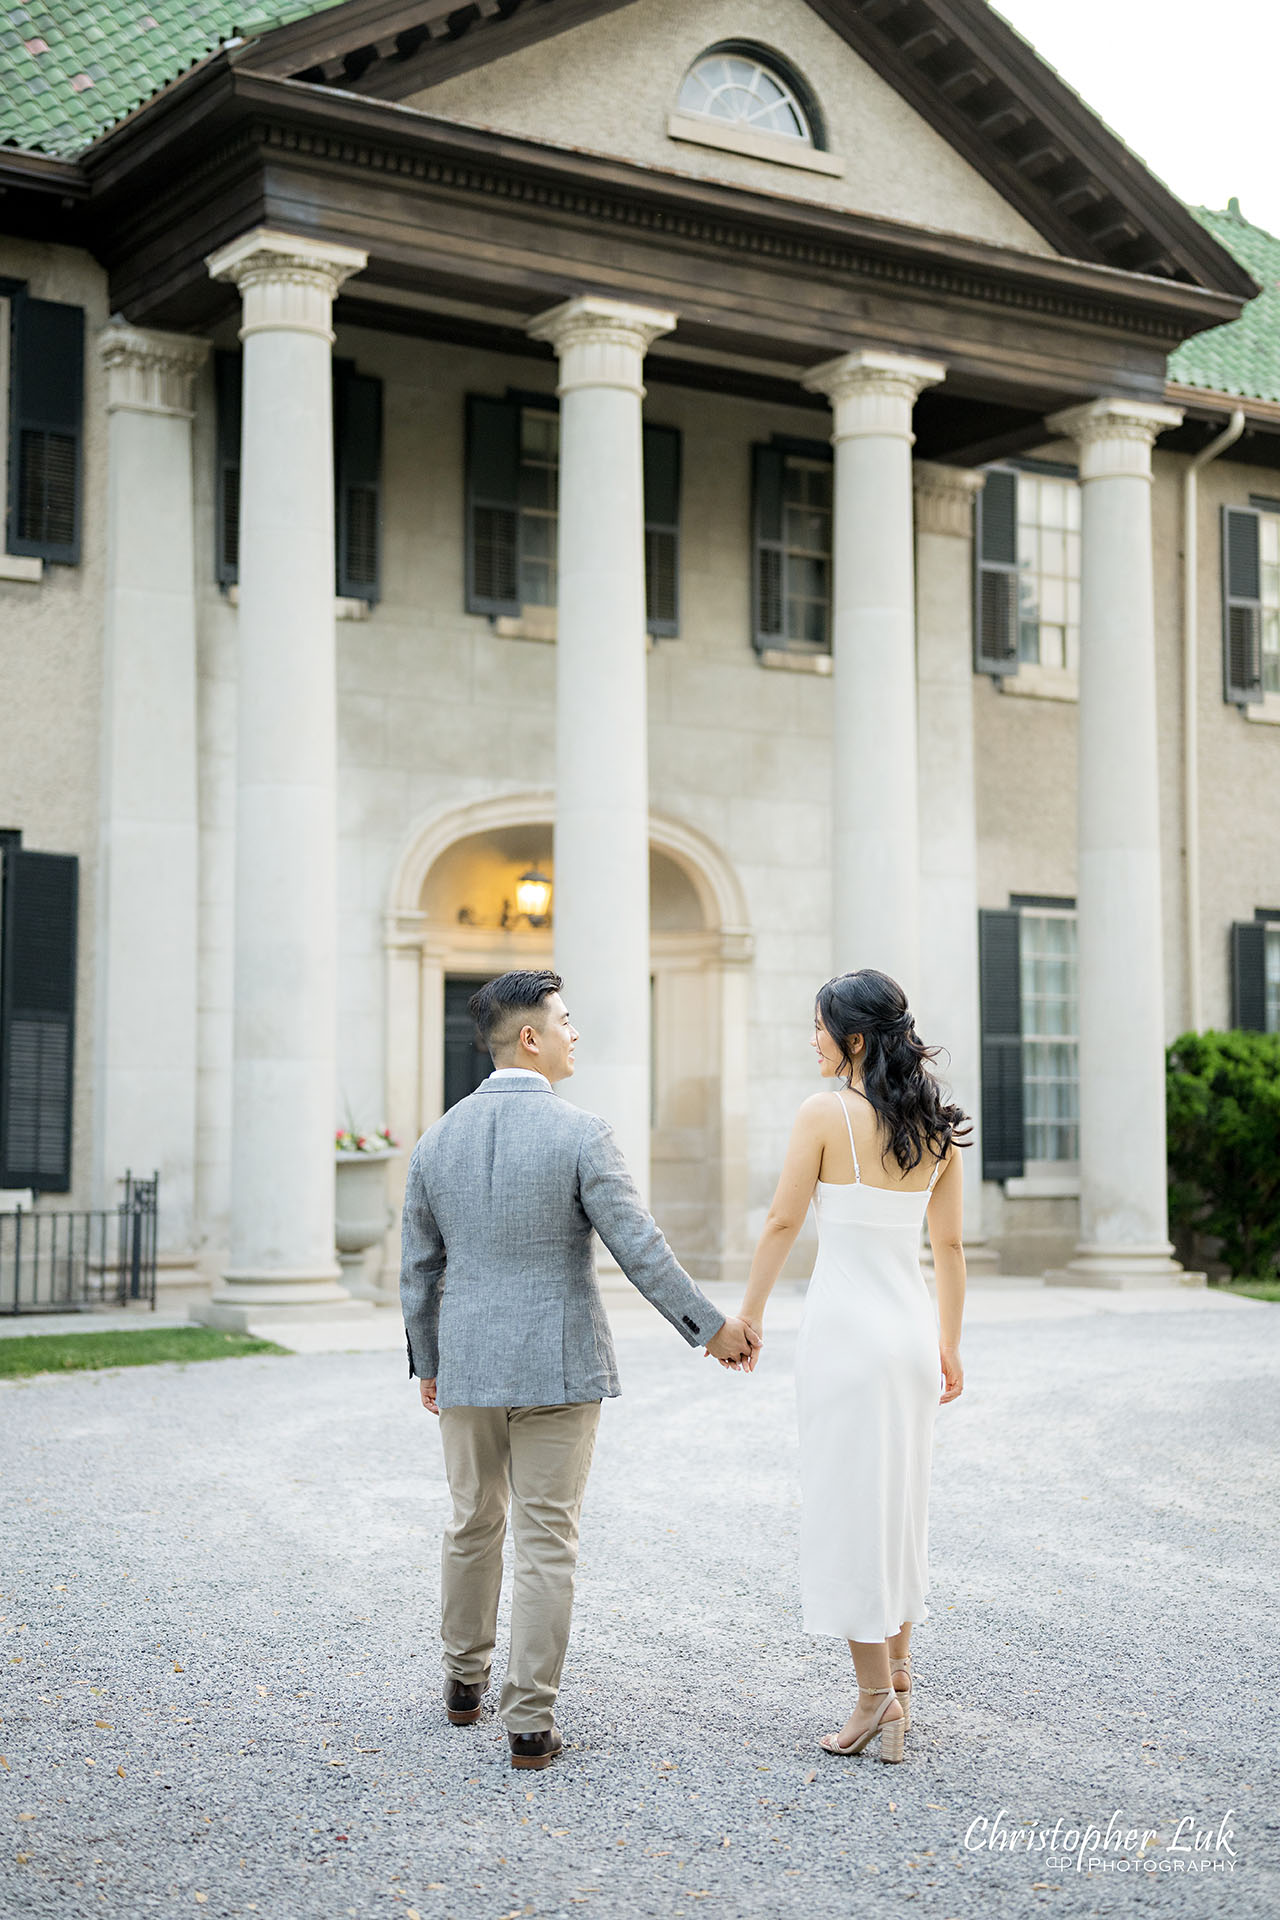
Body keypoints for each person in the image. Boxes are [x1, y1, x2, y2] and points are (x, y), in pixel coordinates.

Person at [400, 968, 760, 1771]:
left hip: (465, 1365)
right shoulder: (581, 1133)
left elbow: (418, 1267)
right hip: (558, 1365)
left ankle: (463, 1685)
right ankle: (528, 1722)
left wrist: (428, 1360)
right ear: (530, 1036)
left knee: (471, 1521)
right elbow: (640, 1246)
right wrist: (712, 1330)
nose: (575, 1033)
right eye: (565, 1021)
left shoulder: (436, 1139)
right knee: (545, 1539)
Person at [730, 969, 967, 1762]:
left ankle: (874, 1705)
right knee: (899, 1507)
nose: (811, 1039)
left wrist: (750, 1315)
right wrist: (950, 1342)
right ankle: (898, 1679)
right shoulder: (935, 1124)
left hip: (846, 1339)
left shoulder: (824, 1112)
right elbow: (951, 1248)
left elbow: (782, 1220)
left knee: (851, 1511)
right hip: (907, 1336)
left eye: (819, 1027)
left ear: (854, 1040)